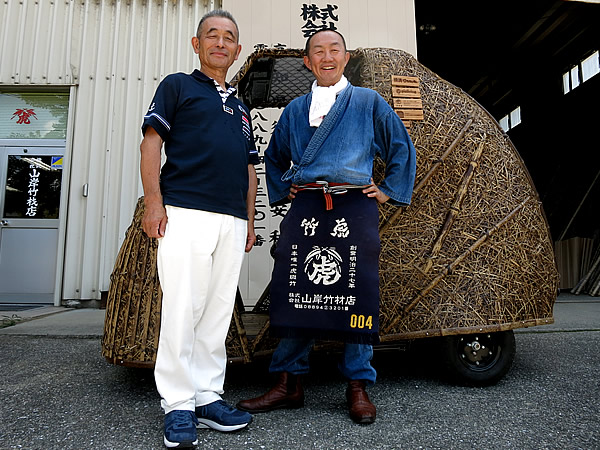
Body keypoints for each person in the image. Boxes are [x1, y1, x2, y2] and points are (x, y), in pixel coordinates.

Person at [237, 29, 416, 425]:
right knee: (296, 288)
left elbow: (401, 146)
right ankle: (289, 381)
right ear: (308, 61)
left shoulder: (368, 102)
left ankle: (358, 386)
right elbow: (275, 156)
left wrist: (387, 191)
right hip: (309, 204)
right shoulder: (296, 110)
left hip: (354, 204)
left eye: (334, 49)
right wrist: (286, 188)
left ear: (346, 56)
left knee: (357, 292)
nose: (327, 56)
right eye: (318, 51)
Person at [140, 9, 258, 448]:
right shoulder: (177, 86)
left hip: (230, 220)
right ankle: (178, 404)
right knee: (182, 310)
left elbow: (249, 169)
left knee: (216, 312)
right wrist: (155, 202)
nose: (220, 43)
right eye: (212, 35)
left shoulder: (241, 107)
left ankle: (207, 396)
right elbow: (151, 142)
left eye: (229, 36)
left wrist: (246, 220)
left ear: (238, 49)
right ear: (197, 44)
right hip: (185, 212)